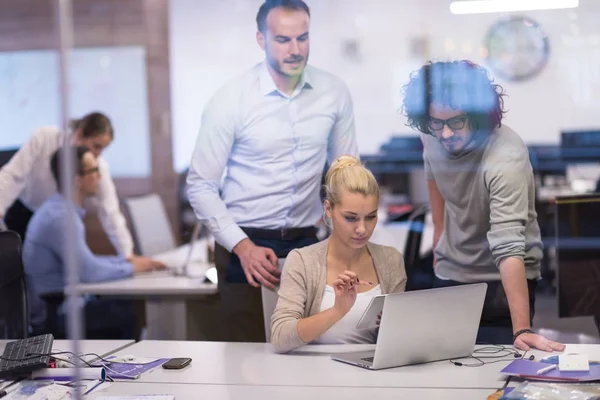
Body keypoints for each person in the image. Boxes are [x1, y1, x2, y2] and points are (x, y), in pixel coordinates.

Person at [187, 0, 358, 342]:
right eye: (283, 40)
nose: (295, 50)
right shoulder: (231, 99)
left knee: (308, 357)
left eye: (303, 38)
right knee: (246, 361)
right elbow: (200, 185)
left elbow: (347, 176)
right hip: (244, 245)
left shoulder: (333, 92)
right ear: (261, 40)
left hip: (307, 244)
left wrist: (345, 240)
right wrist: (243, 246)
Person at [401, 60, 565, 352]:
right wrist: (440, 236)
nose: (446, 133)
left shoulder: (506, 156)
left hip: (504, 281)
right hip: (452, 274)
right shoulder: (432, 133)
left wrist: (522, 329)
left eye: (456, 122)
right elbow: (433, 172)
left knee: (500, 371)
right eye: (437, 122)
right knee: (447, 369)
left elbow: (508, 246)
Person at [24, 146, 166, 338]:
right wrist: (132, 268)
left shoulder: (60, 211)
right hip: (56, 314)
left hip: (61, 305)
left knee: (125, 304)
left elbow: (88, 260)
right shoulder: (61, 218)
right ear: (77, 180)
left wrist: (127, 262)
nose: (99, 176)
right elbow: (90, 271)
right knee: (126, 309)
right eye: (94, 170)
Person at [271, 156, 406, 353]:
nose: (362, 229)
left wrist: (394, 327)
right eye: (351, 218)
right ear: (328, 209)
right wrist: (338, 310)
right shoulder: (303, 261)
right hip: (311, 374)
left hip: (371, 375)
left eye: (370, 217)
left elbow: (396, 342)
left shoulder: (390, 260)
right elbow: (280, 337)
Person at [0, 112, 133, 256]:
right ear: (79, 134)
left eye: (102, 149)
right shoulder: (45, 138)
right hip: (22, 209)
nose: (98, 154)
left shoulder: (95, 165)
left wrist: (127, 254)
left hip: (54, 220)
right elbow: (13, 175)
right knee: (17, 265)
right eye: (96, 146)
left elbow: (110, 211)